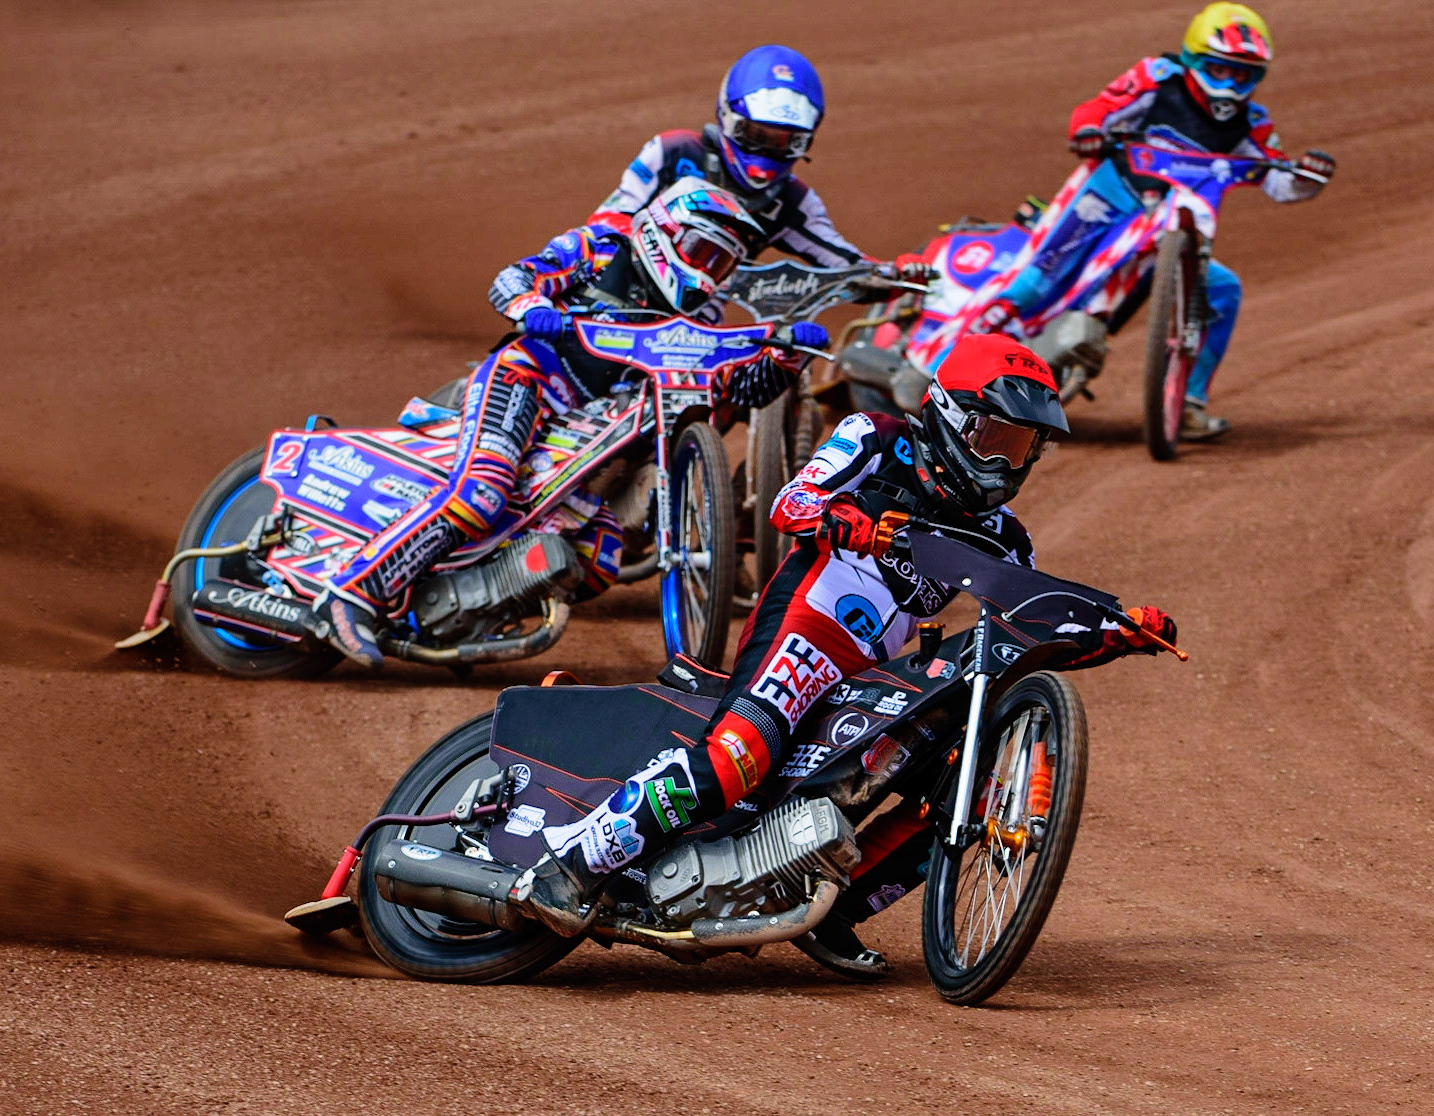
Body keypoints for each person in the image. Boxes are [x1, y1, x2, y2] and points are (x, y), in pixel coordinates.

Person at [514, 333, 1177, 975]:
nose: (1006, 462)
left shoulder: (1006, 538)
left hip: (880, 668)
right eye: (995, 438)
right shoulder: (875, 437)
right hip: (809, 621)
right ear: (950, 414)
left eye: (1023, 446)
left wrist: (1111, 633)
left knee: (946, 783)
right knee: (737, 758)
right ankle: (571, 866)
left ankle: (836, 909)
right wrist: (843, 517)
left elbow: (1025, 628)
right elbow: (789, 502)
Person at [310, 180, 828, 668]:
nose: (707, 274)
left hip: (582, 431)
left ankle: (463, 615)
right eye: (701, 253)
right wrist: (532, 306)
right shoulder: (603, 249)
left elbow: (735, 391)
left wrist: (787, 357)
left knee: (599, 554)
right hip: (529, 380)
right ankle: (350, 594)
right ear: (663, 234)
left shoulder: (694, 320)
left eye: (721, 264)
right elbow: (515, 277)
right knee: (482, 493)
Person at [917, 3, 1335, 440]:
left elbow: (1280, 179)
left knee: (1223, 290)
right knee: (1030, 287)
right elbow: (1099, 108)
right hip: (1105, 203)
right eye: (1219, 69)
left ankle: (1186, 404)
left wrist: (1310, 178)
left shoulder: (1252, 124)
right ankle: (932, 378)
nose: (1230, 85)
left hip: (1166, 234)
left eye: (1243, 75)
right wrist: (1089, 129)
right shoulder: (1157, 79)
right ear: (1193, 60)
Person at [584, 43, 931, 286]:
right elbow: (606, 220)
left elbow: (846, 263)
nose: (764, 157)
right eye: (754, 134)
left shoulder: (793, 204)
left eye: (784, 142)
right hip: (614, 296)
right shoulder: (673, 152)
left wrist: (895, 274)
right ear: (728, 116)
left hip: (694, 329)